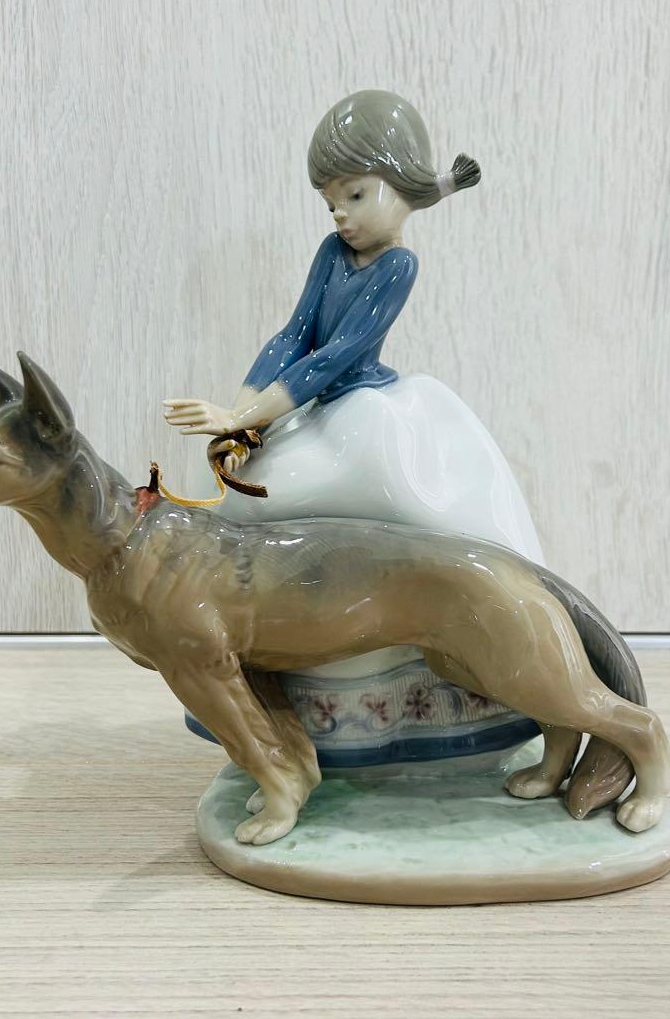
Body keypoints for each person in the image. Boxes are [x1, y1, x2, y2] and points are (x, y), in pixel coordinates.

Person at [163, 90, 545, 767]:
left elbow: (338, 355)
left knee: (403, 504)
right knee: (235, 492)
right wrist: (239, 417)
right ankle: (275, 692)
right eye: (329, 201)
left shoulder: (397, 265)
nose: (339, 213)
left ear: (401, 188)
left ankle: (442, 677)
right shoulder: (330, 252)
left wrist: (247, 415)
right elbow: (295, 334)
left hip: (361, 409)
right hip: (310, 409)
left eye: (356, 194)